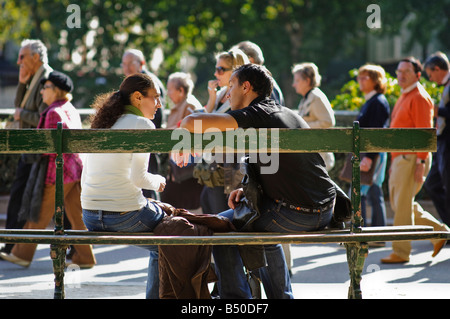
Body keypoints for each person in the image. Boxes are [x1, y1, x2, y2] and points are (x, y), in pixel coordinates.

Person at [177, 64, 337, 299]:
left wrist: (183, 133)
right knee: (256, 229)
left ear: (246, 87)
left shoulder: (256, 113)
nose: (227, 93)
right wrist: (245, 188)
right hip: (325, 210)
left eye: (231, 86)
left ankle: (236, 300)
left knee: (219, 226)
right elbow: (280, 167)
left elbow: (193, 122)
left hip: (296, 212)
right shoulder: (286, 113)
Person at [81, 73, 166, 297]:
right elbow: (139, 179)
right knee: (171, 241)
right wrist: (159, 181)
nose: (159, 104)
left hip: (90, 215)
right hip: (124, 215)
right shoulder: (143, 125)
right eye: (155, 97)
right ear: (138, 98)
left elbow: (86, 173)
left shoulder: (103, 122)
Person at [0, 71, 96, 268]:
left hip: (59, 172)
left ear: (57, 91)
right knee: (77, 216)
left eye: (46, 88)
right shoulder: (70, 108)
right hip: (76, 170)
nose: (42, 91)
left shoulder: (53, 113)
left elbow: (49, 149)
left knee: (39, 212)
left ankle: (22, 254)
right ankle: (85, 258)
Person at [381, 57, 449, 264]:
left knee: (402, 206)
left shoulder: (419, 96)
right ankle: (439, 231)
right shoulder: (407, 94)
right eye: (399, 71)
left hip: (412, 158)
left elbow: (423, 134)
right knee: (403, 204)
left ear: (417, 75)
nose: (400, 75)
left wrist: (420, 163)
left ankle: (401, 252)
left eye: (406, 72)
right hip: (401, 158)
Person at [0, 39, 53, 256]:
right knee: (20, 194)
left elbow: (44, 115)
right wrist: (21, 83)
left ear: (36, 57)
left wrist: (23, 115)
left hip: (38, 150)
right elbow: (18, 107)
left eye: (23, 57)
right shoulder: (31, 77)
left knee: (26, 196)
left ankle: (15, 245)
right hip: (29, 150)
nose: (19, 61)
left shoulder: (47, 78)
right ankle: (13, 244)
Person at [198, 49, 250, 215]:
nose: (216, 73)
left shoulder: (241, 97)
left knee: (223, 217)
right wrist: (212, 98)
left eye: (221, 69)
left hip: (229, 167)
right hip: (213, 165)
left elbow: (210, 126)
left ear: (236, 70)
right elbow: (207, 123)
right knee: (209, 208)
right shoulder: (221, 93)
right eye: (216, 68)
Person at [121, 49, 166, 199]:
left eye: (130, 64)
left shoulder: (150, 84)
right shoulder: (131, 84)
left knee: (149, 192)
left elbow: (156, 116)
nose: (126, 68)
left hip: (147, 141)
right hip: (137, 141)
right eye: (124, 64)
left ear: (141, 64)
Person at [161, 72, 203, 211]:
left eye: (170, 89)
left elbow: (189, 128)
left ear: (181, 91)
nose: (167, 93)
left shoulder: (190, 106)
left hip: (186, 168)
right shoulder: (180, 105)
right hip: (178, 167)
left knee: (179, 206)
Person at [356, 64, 390, 232]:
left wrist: (369, 156)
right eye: (359, 77)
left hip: (373, 155)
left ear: (376, 80)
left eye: (364, 78)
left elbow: (376, 133)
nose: (360, 81)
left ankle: (374, 233)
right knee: (371, 193)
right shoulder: (371, 100)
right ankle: (375, 233)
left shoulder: (378, 101)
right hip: (370, 154)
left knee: (371, 193)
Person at [292, 62, 336, 171]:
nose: (294, 84)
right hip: (312, 154)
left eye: (297, 81)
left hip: (319, 156)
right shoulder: (307, 97)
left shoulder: (316, 97)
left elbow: (328, 122)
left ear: (307, 81)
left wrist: (303, 126)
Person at [423, 52, 450, 227]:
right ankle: (447, 225)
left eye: (431, 74)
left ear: (438, 69)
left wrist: (434, 109)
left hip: (447, 143)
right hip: (442, 143)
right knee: (433, 184)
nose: (431, 79)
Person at [233, 40, 285, 105]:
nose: (235, 69)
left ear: (250, 61)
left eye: (239, 61)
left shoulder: (265, 84)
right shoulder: (262, 82)